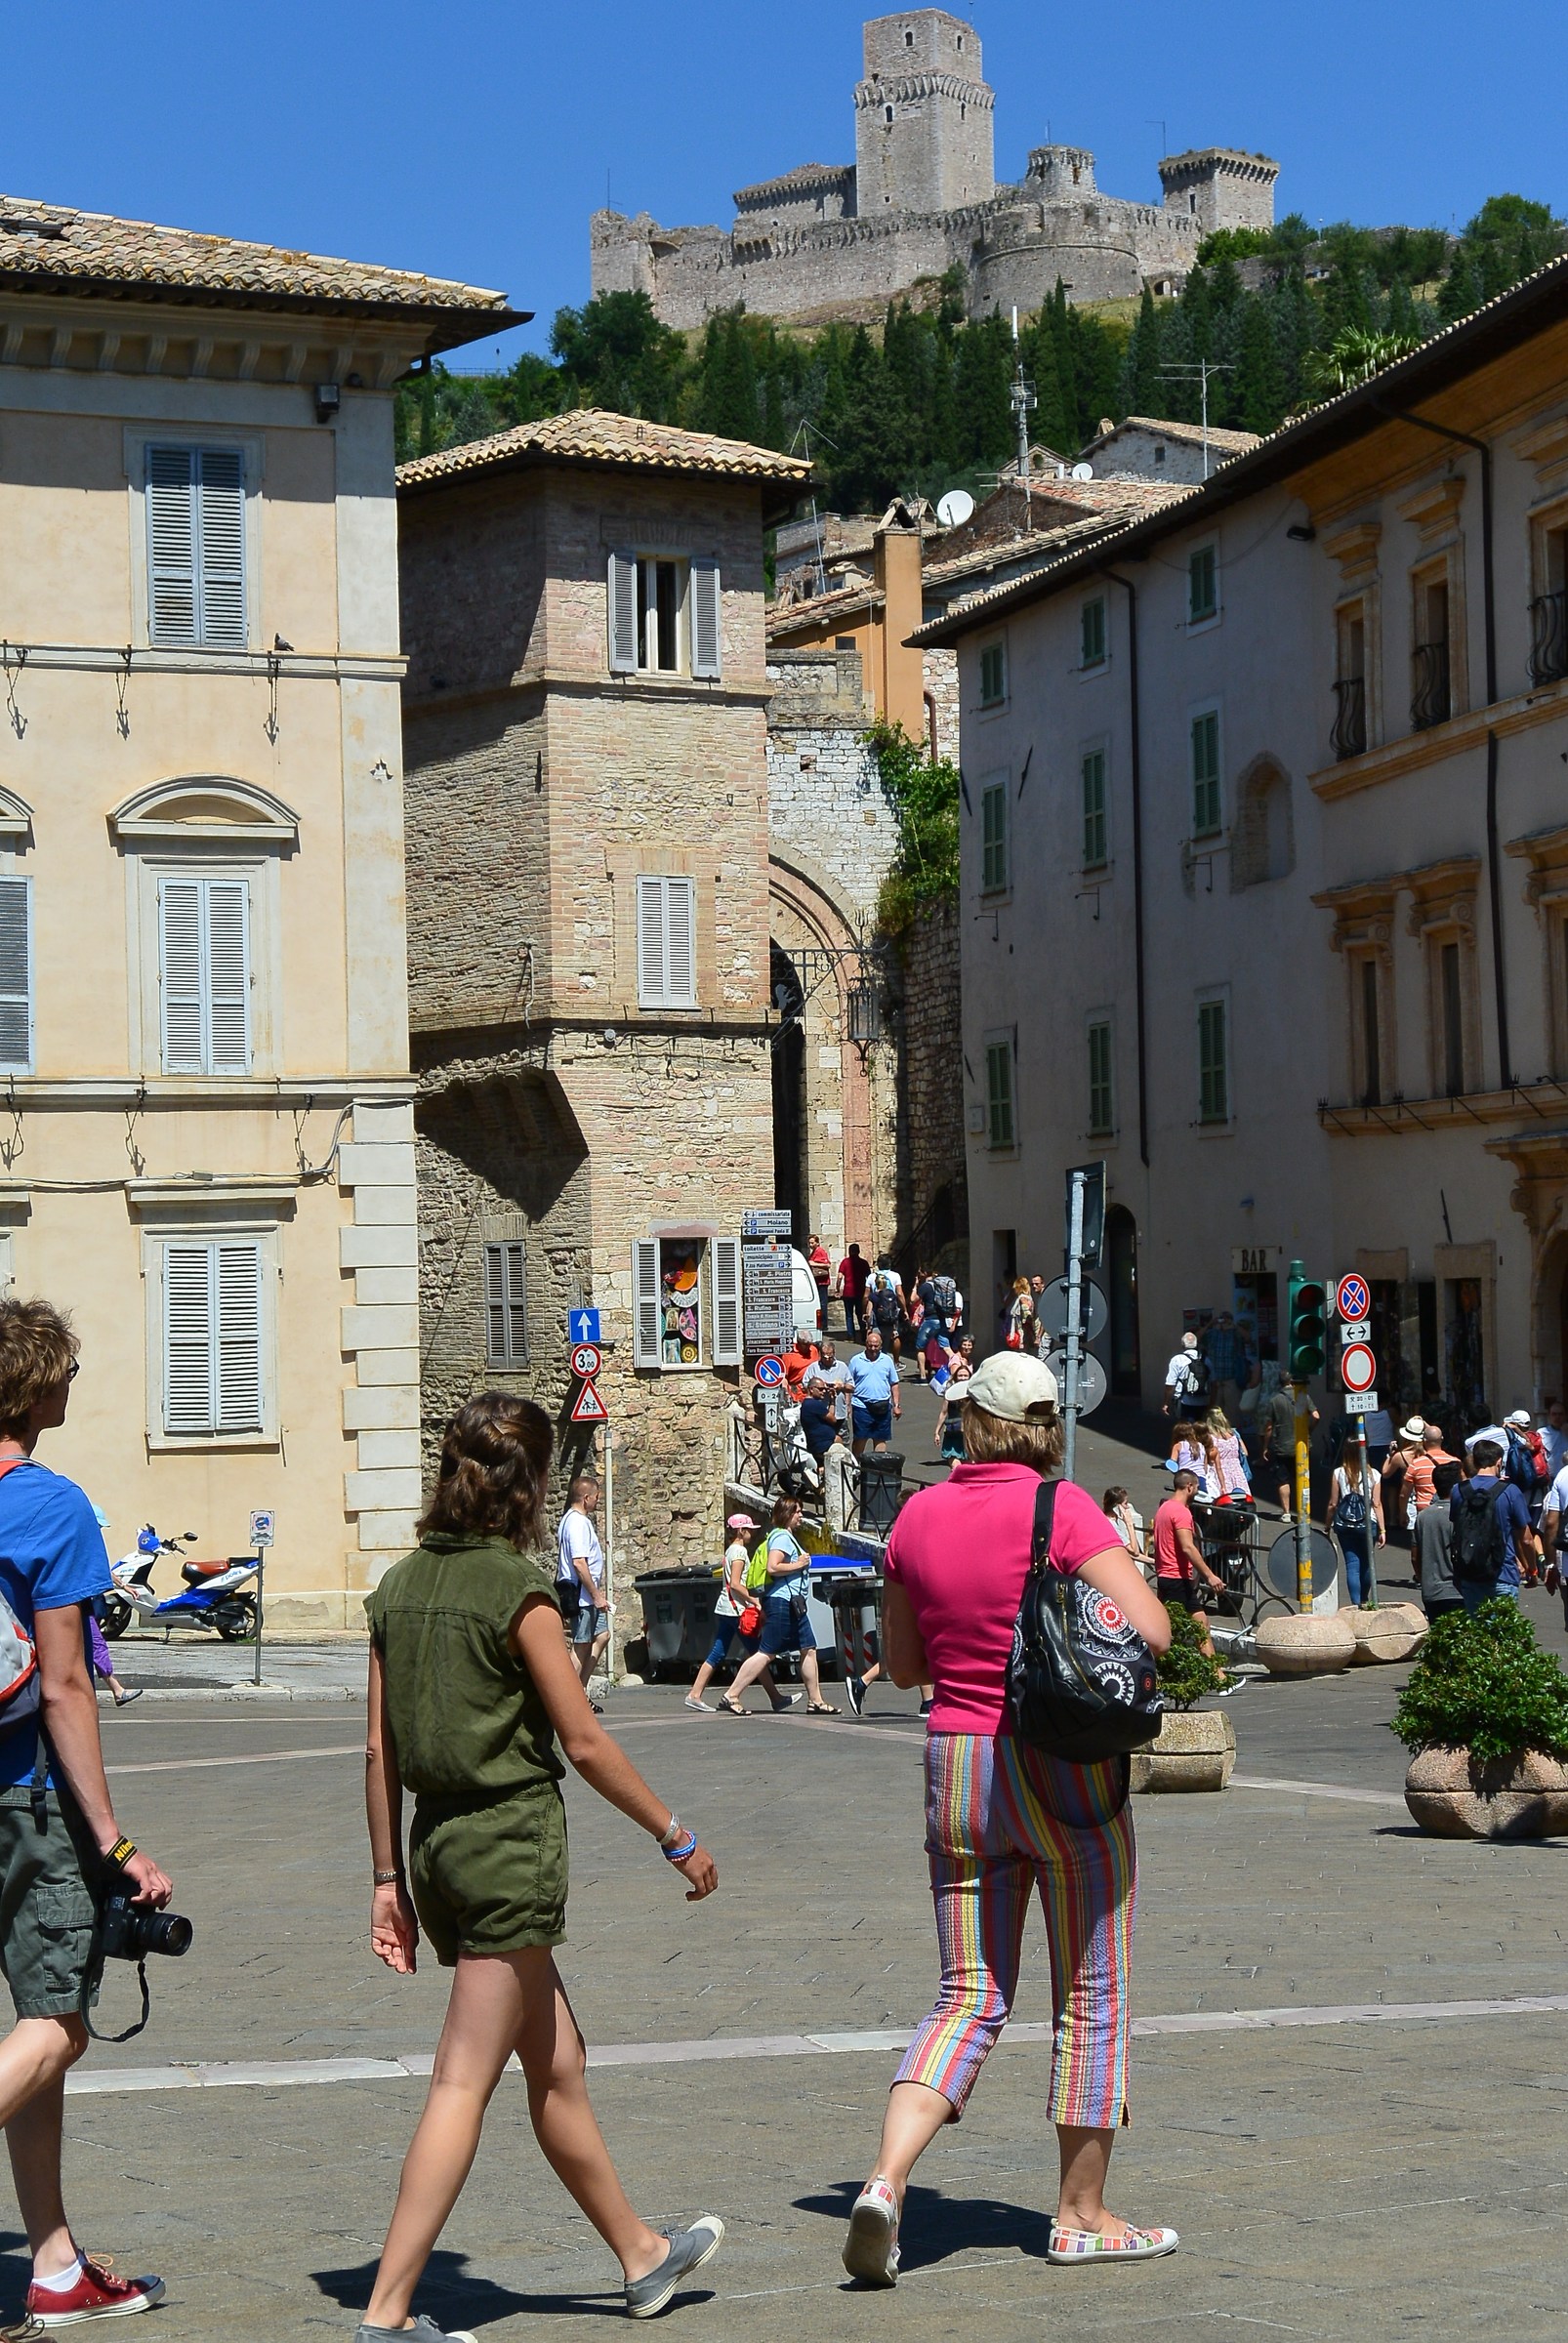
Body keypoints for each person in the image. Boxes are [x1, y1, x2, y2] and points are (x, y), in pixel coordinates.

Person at [358, 1393, 724, 2340]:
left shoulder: (396, 1590)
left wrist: (386, 1882)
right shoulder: (517, 1596)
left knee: (557, 2064)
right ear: (526, 1490)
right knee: (458, 2085)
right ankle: (388, 2315)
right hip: (504, 1853)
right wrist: (673, 1835)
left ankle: (642, 2256)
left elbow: (376, 1756)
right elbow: (586, 1743)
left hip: (436, 1852)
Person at [840, 1353, 1176, 2287]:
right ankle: (1081, 2216)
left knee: (967, 1995)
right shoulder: (1060, 1509)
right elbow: (1152, 1631)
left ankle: (885, 2180)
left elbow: (904, 1667)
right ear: (1043, 1425)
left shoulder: (914, 1516)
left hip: (956, 1761)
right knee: (1091, 1991)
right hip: (1056, 1763)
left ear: (969, 1422)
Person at [0, 1298, 173, 2326]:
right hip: (24, 1796)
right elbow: (65, 1687)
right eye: (64, 1374)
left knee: (33, 2020)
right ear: (33, 1390)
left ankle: (54, 2264)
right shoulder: (52, 1505)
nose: (72, 1387)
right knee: (60, 2022)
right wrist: (113, 1839)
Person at [722, 1497, 837, 1717]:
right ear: (787, 1514)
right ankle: (732, 1695)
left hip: (793, 1604)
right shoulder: (782, 1537)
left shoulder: (785, 1536)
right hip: (782, 1602)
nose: (801, 1515)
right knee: (766, 1652)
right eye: (798, 1512)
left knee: (808, 1648)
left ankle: (816, 1701)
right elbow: (773, 1567)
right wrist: (799, 1564)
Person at [686, 1519, 794, 1715]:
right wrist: (755, 1601)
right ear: (740, 1531)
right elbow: (736, 1584)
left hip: (727, 1608)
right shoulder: (740, 1552)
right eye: (749, 1530)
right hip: (736, 1610)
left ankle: (695, 1694)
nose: (751, 1534)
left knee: (720, 1653)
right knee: (759, 1655)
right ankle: (771, 1698)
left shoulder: (730, 1551)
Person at [1449, 1438, 1533, 1610]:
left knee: (1477, 1631)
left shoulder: (1458, 1491)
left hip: (1469, 1570)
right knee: (1502, 1632)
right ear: (1499, 1461)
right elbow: (1526, 1539)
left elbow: (1456, 1527)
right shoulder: (1510, 1491)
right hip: (1503, 1572)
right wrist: (1531, 1568)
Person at [1151, 1470, 1225, 1659]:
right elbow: (1188, 1547)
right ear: (1189, 1487)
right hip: (1176, 1578)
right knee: (1200, 1626)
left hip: (1166, 1577)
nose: (1197, 1492)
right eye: (1197, 1488)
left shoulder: (1164, 1509)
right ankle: (1217, 1676)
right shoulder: (1181, 1512)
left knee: (1170, 1629)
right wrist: (1210, 1575)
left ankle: (1161, 1672)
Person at [557, 1472, 608, 1710]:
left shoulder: (574, 1520)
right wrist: (596, 1596)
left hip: (587, 1594)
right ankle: (564, 1698)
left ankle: (579, 1689)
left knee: (602, 1636)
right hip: (583, 1596)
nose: (599, 1501)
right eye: (597, 1497)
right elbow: (579, 1562)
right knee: (581, 1644)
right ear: (586, 1497)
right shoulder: (576, 1523)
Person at [1329, 1443, 1384, 1607]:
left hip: (1345, 1524)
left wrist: (1327, 1526)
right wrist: (1383, 1529)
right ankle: (1365, 1599)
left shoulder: (1338, 1473)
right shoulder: (1374, 1475)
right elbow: (1377, 1504)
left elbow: (1333, 1504)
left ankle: (1355, 1603)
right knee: (1367, 1562)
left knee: (1352, 1564)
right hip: (1368, 1523)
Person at [1259, 1376, 1318, 1519]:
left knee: (1283, 1480)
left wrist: (1265, 1446)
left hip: (1282, 1446)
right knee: (1302, 1478)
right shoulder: (1303, 1397)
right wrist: (1308, 1430)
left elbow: (1268, 1427)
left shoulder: (1275, 1400)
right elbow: (1316, 1416)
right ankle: (1303, 1511)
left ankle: (1286, 1512)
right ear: (1292, 1381)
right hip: (1302, 1445)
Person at [1417, 1461, 1465, 1622]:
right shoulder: (1460, 1515)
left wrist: (1423, 1578)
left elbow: (1414, 1556)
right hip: (1458, 1591)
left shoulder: (1423, 1517)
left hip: (1431, 1592)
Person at [848, 1329, 900, 1458]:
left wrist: (896, 1405)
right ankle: (856, 1467)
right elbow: (849, 1384)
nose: (873, 1348)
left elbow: (894, 1383)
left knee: (880, 1438)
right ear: (866, 1344)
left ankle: (878, 1468)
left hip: (882, 1405)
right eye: (870, 1345)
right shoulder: (856, 1360)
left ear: (881, 1346)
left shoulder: (887, 1360)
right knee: (860, 1438)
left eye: (876, 1346)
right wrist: (848, 1404)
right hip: (861, 1405)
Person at [1199, 1311, 1248, 1423]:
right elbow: (1197, 1338)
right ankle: (1216, 1435)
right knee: (1214, 1412)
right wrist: (1210, 1324)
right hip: (1215, 1380)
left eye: (1226, 1320)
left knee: (1232, 1412)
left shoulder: (1235, 1333)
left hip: (1231, 1379)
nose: (1224, 1323)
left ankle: (1232, 1435)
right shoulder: (1212, 1334)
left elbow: (1248, 1338)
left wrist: (1234, 1325)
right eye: (1222, 1319)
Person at [933, 1338, 974, 1463]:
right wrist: (937, 1431)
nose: (962, 1378)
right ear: (955, 1377)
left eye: (965, 1376)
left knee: (969, 1464)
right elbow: (944, 1412)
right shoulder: (950, 1392)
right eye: (960, 1375)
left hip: (968, 1432)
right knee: (955, 1464)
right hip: (953, 1430)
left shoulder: (973, 1393)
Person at [865, 1261, 906, 1361]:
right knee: (885, 1348)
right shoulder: (891, 1294)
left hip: (877, 1325)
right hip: (889, 1324)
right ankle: (891, 1362)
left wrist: (868, 1325)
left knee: (875, 1347)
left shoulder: (874, 1295)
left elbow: (869, 1312)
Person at [1162, 1332, 1206, 1422]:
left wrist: (1166, 1403)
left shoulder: (1177, 1360)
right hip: (1203, 1401)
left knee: (1185, 1430)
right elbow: (1214, 1384)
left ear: (1183, 1345)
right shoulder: (1205, 1360)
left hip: (1184, 1401)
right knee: (1201, 1430)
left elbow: (1170, 1384)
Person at [836, 1244, 870, 1340]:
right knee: (861, 1313)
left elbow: (839, 1277)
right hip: (861, 1292)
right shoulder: (864, 1263)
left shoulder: (845, 1262)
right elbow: (869, 1277)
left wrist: (837, 1289)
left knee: (849, 1315)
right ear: (859, 1251)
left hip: (848, 1292)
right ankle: (863, 1334)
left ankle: (851, 1336)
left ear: (849, 1251)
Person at [1102, 1487, 1145, 1562]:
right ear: (1116, 1507)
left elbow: (1129, 1553)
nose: (1127, 1506)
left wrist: (1154, 1562)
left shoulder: (1105, 1520)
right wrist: (1129, 1524)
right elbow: (1135, 1552)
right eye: (1125, 1503)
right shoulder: (1112, 1525)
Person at [1541, 1396, 1568, 1482]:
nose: (1557, 1417)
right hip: (1549, 1480)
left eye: (1560, 1414)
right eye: (1554, 1414)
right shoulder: (1542, 1433)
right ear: (1549, 1416)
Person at [1002, 1277, 1032, 1351]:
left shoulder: (1022, 1298)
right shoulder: (1029, 1297)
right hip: (1025, 1329)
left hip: (1022, 1329)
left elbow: (1027, 1314)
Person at [806, 1234, 832, 1314]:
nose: (811, 1245)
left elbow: (827, 1264)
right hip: (817, 1280)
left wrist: (813, 1264)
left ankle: (824, 1324)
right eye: (809, 1243)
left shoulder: (820, 1251)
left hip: (822, 1281)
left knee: (823, 1302)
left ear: (817, 1243)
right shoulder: (814, 1252)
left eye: (812, 1243)